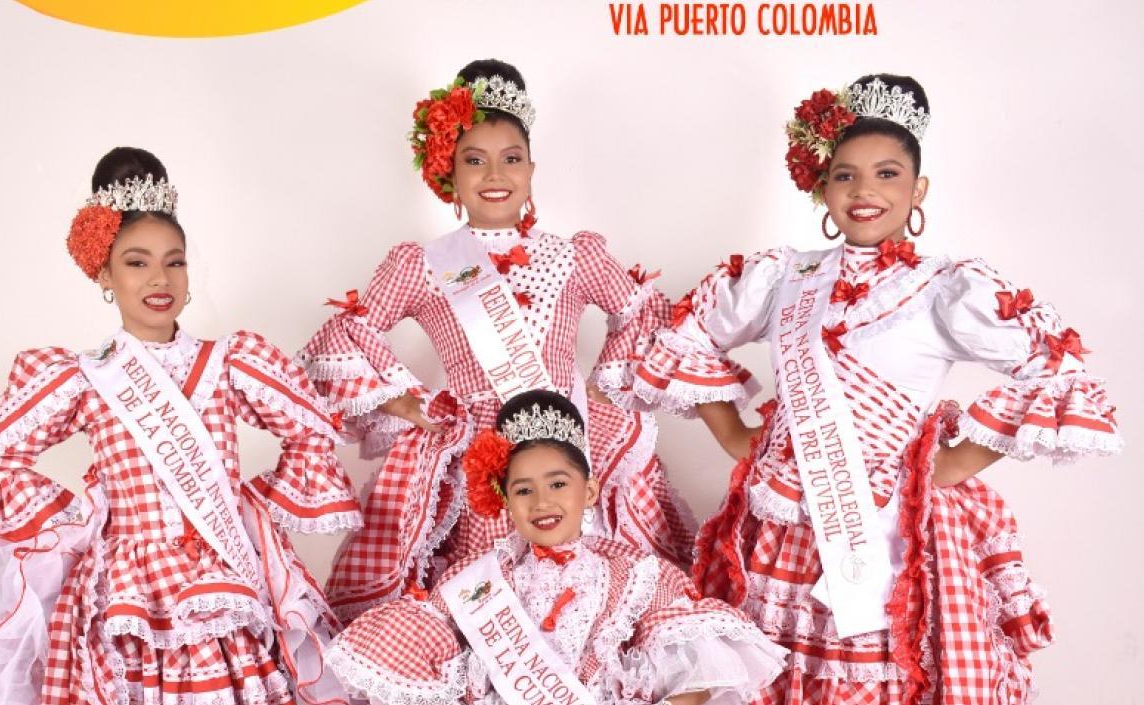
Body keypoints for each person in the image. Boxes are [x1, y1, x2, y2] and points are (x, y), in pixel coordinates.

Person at [633, 75, 1122, 703]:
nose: (865, 191)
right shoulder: (785, 277)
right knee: (776, 674)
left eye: (887, 174)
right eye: (845, 175)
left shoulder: (944, 287)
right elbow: (689, 333)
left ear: (918, 189)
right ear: (823, 187)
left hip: (890, 530)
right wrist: (732, 432)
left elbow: (1055, 368)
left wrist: (953, 463)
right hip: (787, 523)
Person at [0, 147, 362, 705]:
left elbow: (311, 426)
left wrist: (254, 509)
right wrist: (80, 523)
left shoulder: (233, 361)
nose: (159, 278)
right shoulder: (84, 377)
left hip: (227, 571)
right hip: (131, 589)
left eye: (175, 260)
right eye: (137, 262)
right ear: (105, 274)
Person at [303, 59, 696, 623]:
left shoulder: (575, 254)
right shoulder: (420, 265)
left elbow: (644, 311)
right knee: (491, 589)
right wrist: (410, 404)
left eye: (511, 159)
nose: (495, 174)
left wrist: (604, 389)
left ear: (532, 169)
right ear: (450, 174)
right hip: (480, 452)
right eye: (474, 160)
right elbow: (348, 332)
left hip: (572, 438)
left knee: (590, 584)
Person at [325, 390, 787, 705]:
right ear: (504, 500)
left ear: (589, 491)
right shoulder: (474, 578)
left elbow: (697, 669)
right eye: (523, 490)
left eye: (558, 483)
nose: (542, 501)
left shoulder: (635, 573)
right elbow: (420, 660)